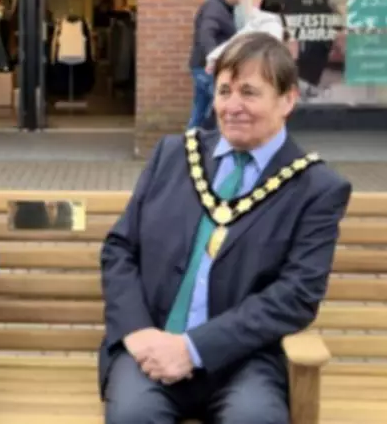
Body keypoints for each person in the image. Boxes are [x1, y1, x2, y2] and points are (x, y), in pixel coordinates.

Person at [99, 32, 352, 424]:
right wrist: (136, 332)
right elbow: (119, 248)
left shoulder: (315, 188)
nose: (232, 106)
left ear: (288, 99)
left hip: (243, 359)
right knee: (134, 418)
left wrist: (194, 349)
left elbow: (297, 294)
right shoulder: (173, 156)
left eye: (249, 92)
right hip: (149, 345)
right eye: (224, 91)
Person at [186, 0, 244, 130]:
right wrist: (213, 59)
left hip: (202, 66)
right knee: (220, 107)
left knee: (200, 110)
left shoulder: (220, 8)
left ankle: (189, 145)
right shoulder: (215, 8)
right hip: (208, 68)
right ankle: (211, 145)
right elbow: (206, 33)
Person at [206, 0, 288, 73]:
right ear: (280, 6)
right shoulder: (274, 26)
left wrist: (213, 58)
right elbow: (275, 53)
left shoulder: (254, 23)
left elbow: (235, 40)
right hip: (265, 70)